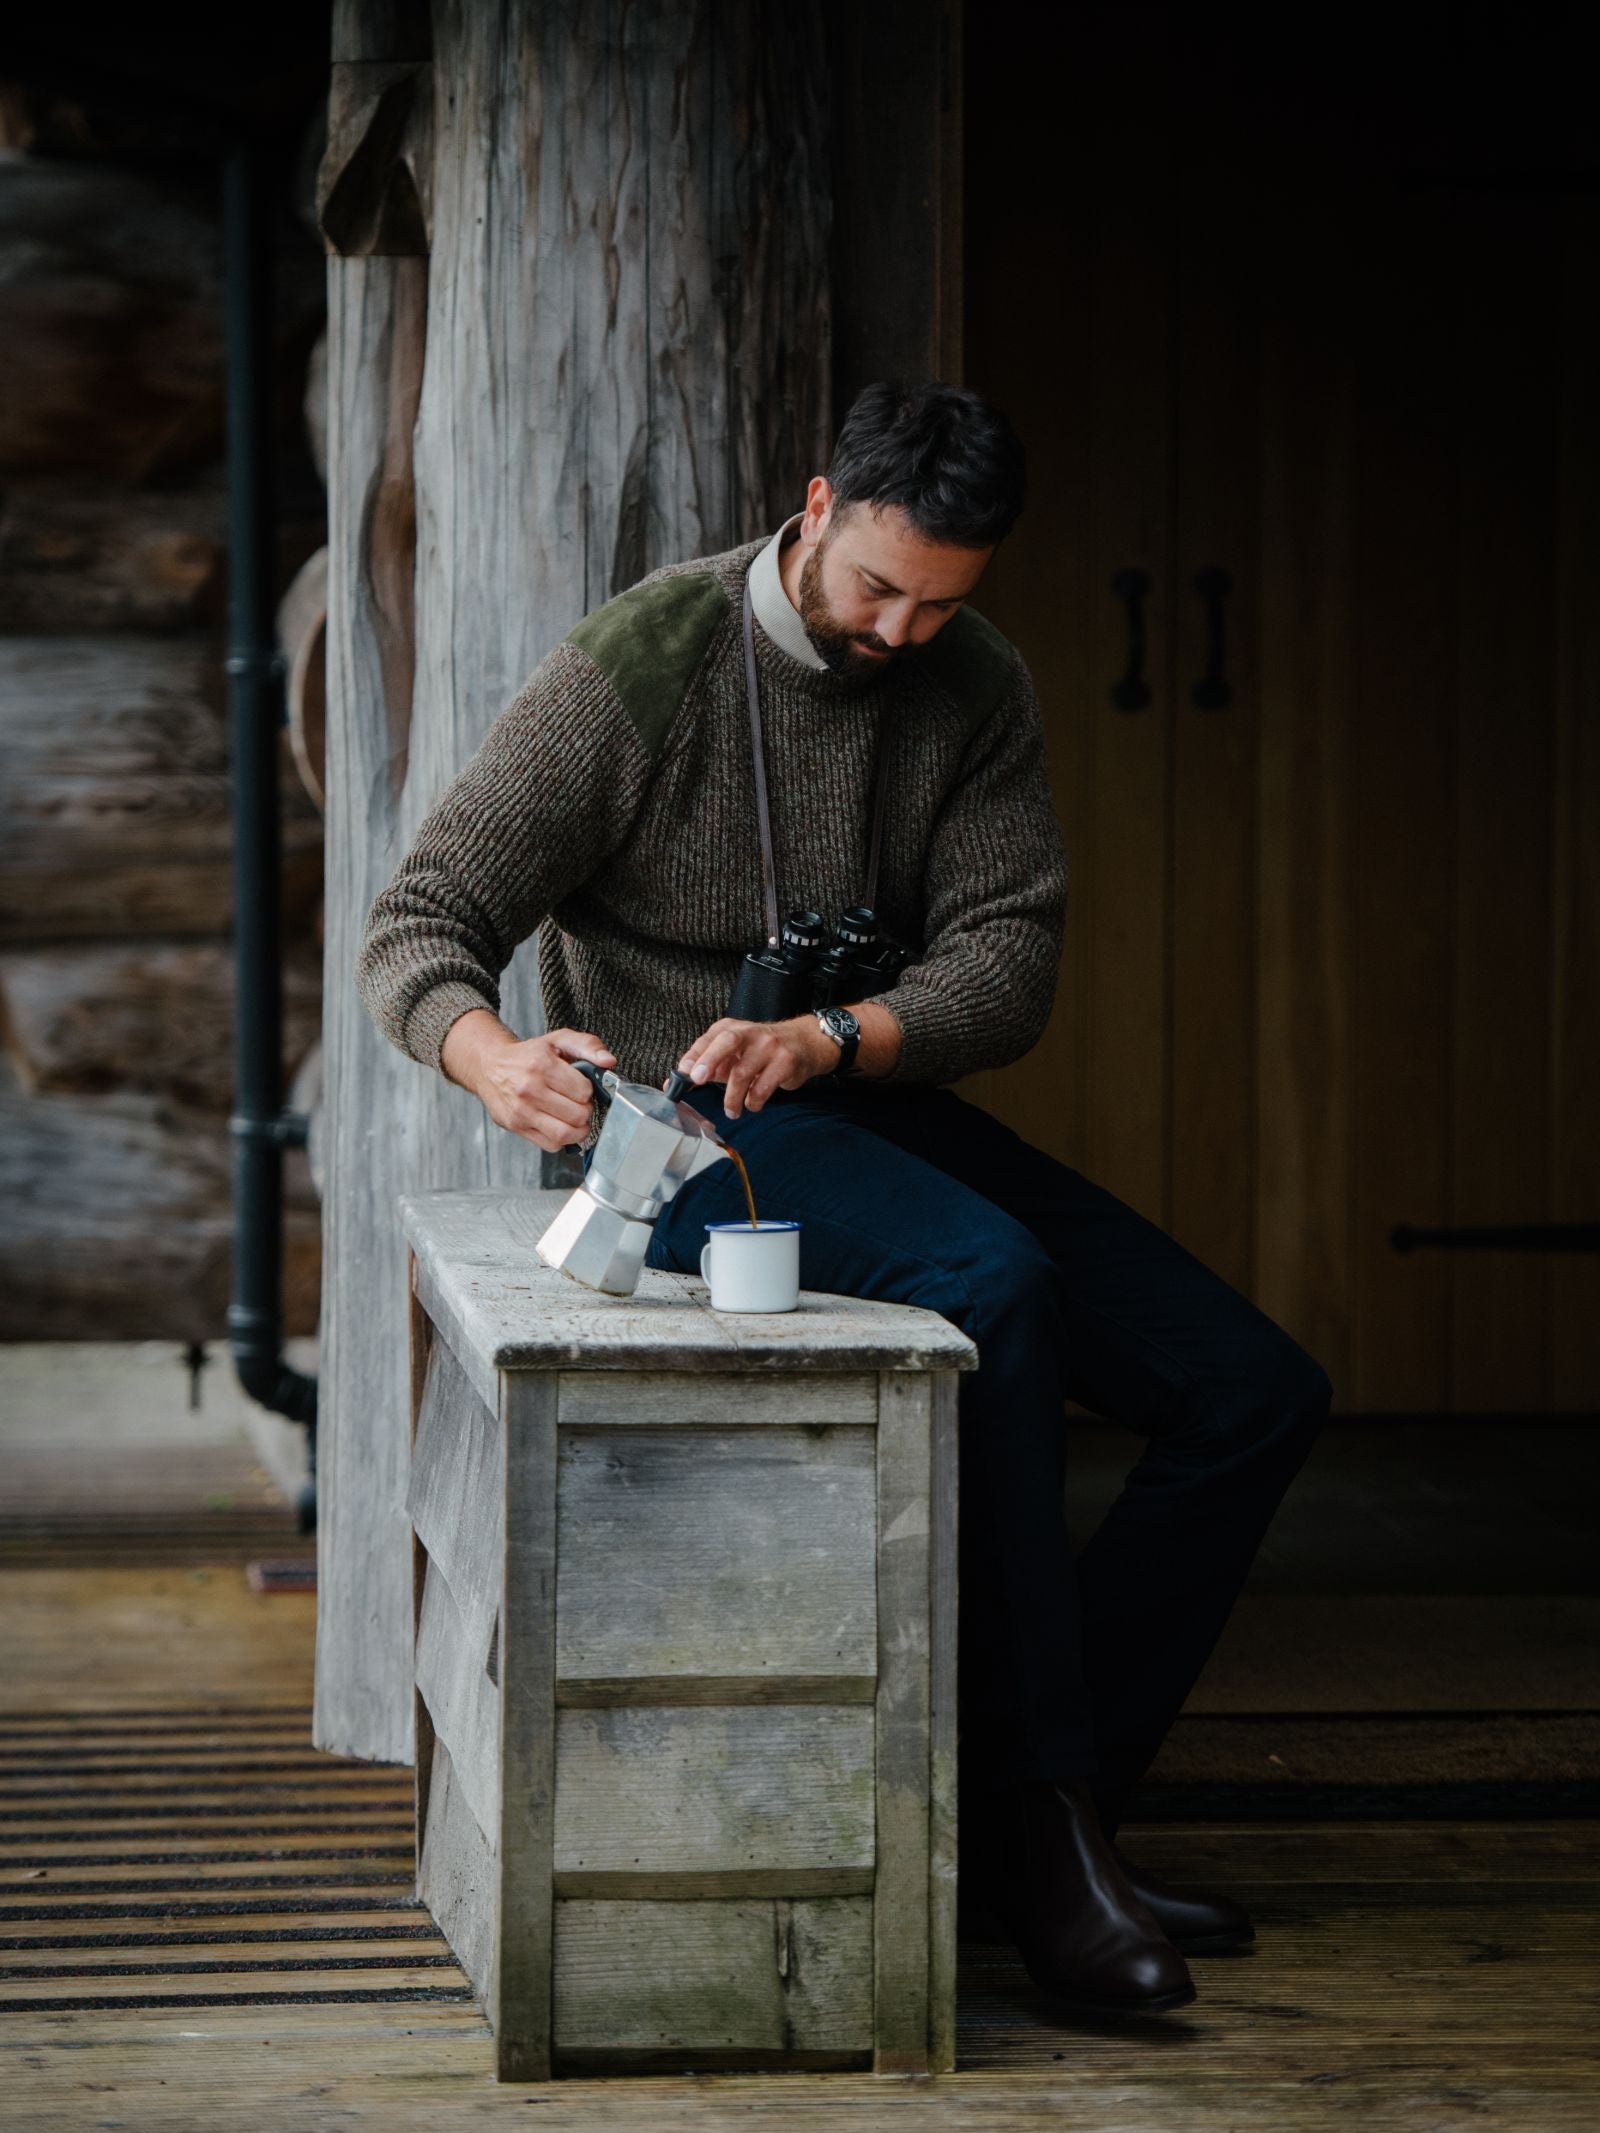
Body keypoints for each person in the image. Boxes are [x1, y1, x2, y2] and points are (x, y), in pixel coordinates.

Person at [358, 380, 1331, 2020]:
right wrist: (487, 1057)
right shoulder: (643, 668)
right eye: (879, 584)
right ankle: (1043, 1832)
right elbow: (422, 916)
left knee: (1251, 1391)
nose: (901, 628)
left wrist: (841, 1033)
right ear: (814, 509)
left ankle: (1046, 1811)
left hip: (849, 1095)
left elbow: (1008, 963)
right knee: (998, 1280)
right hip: (665, 1137)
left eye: (944, 599)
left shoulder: (977, 679)